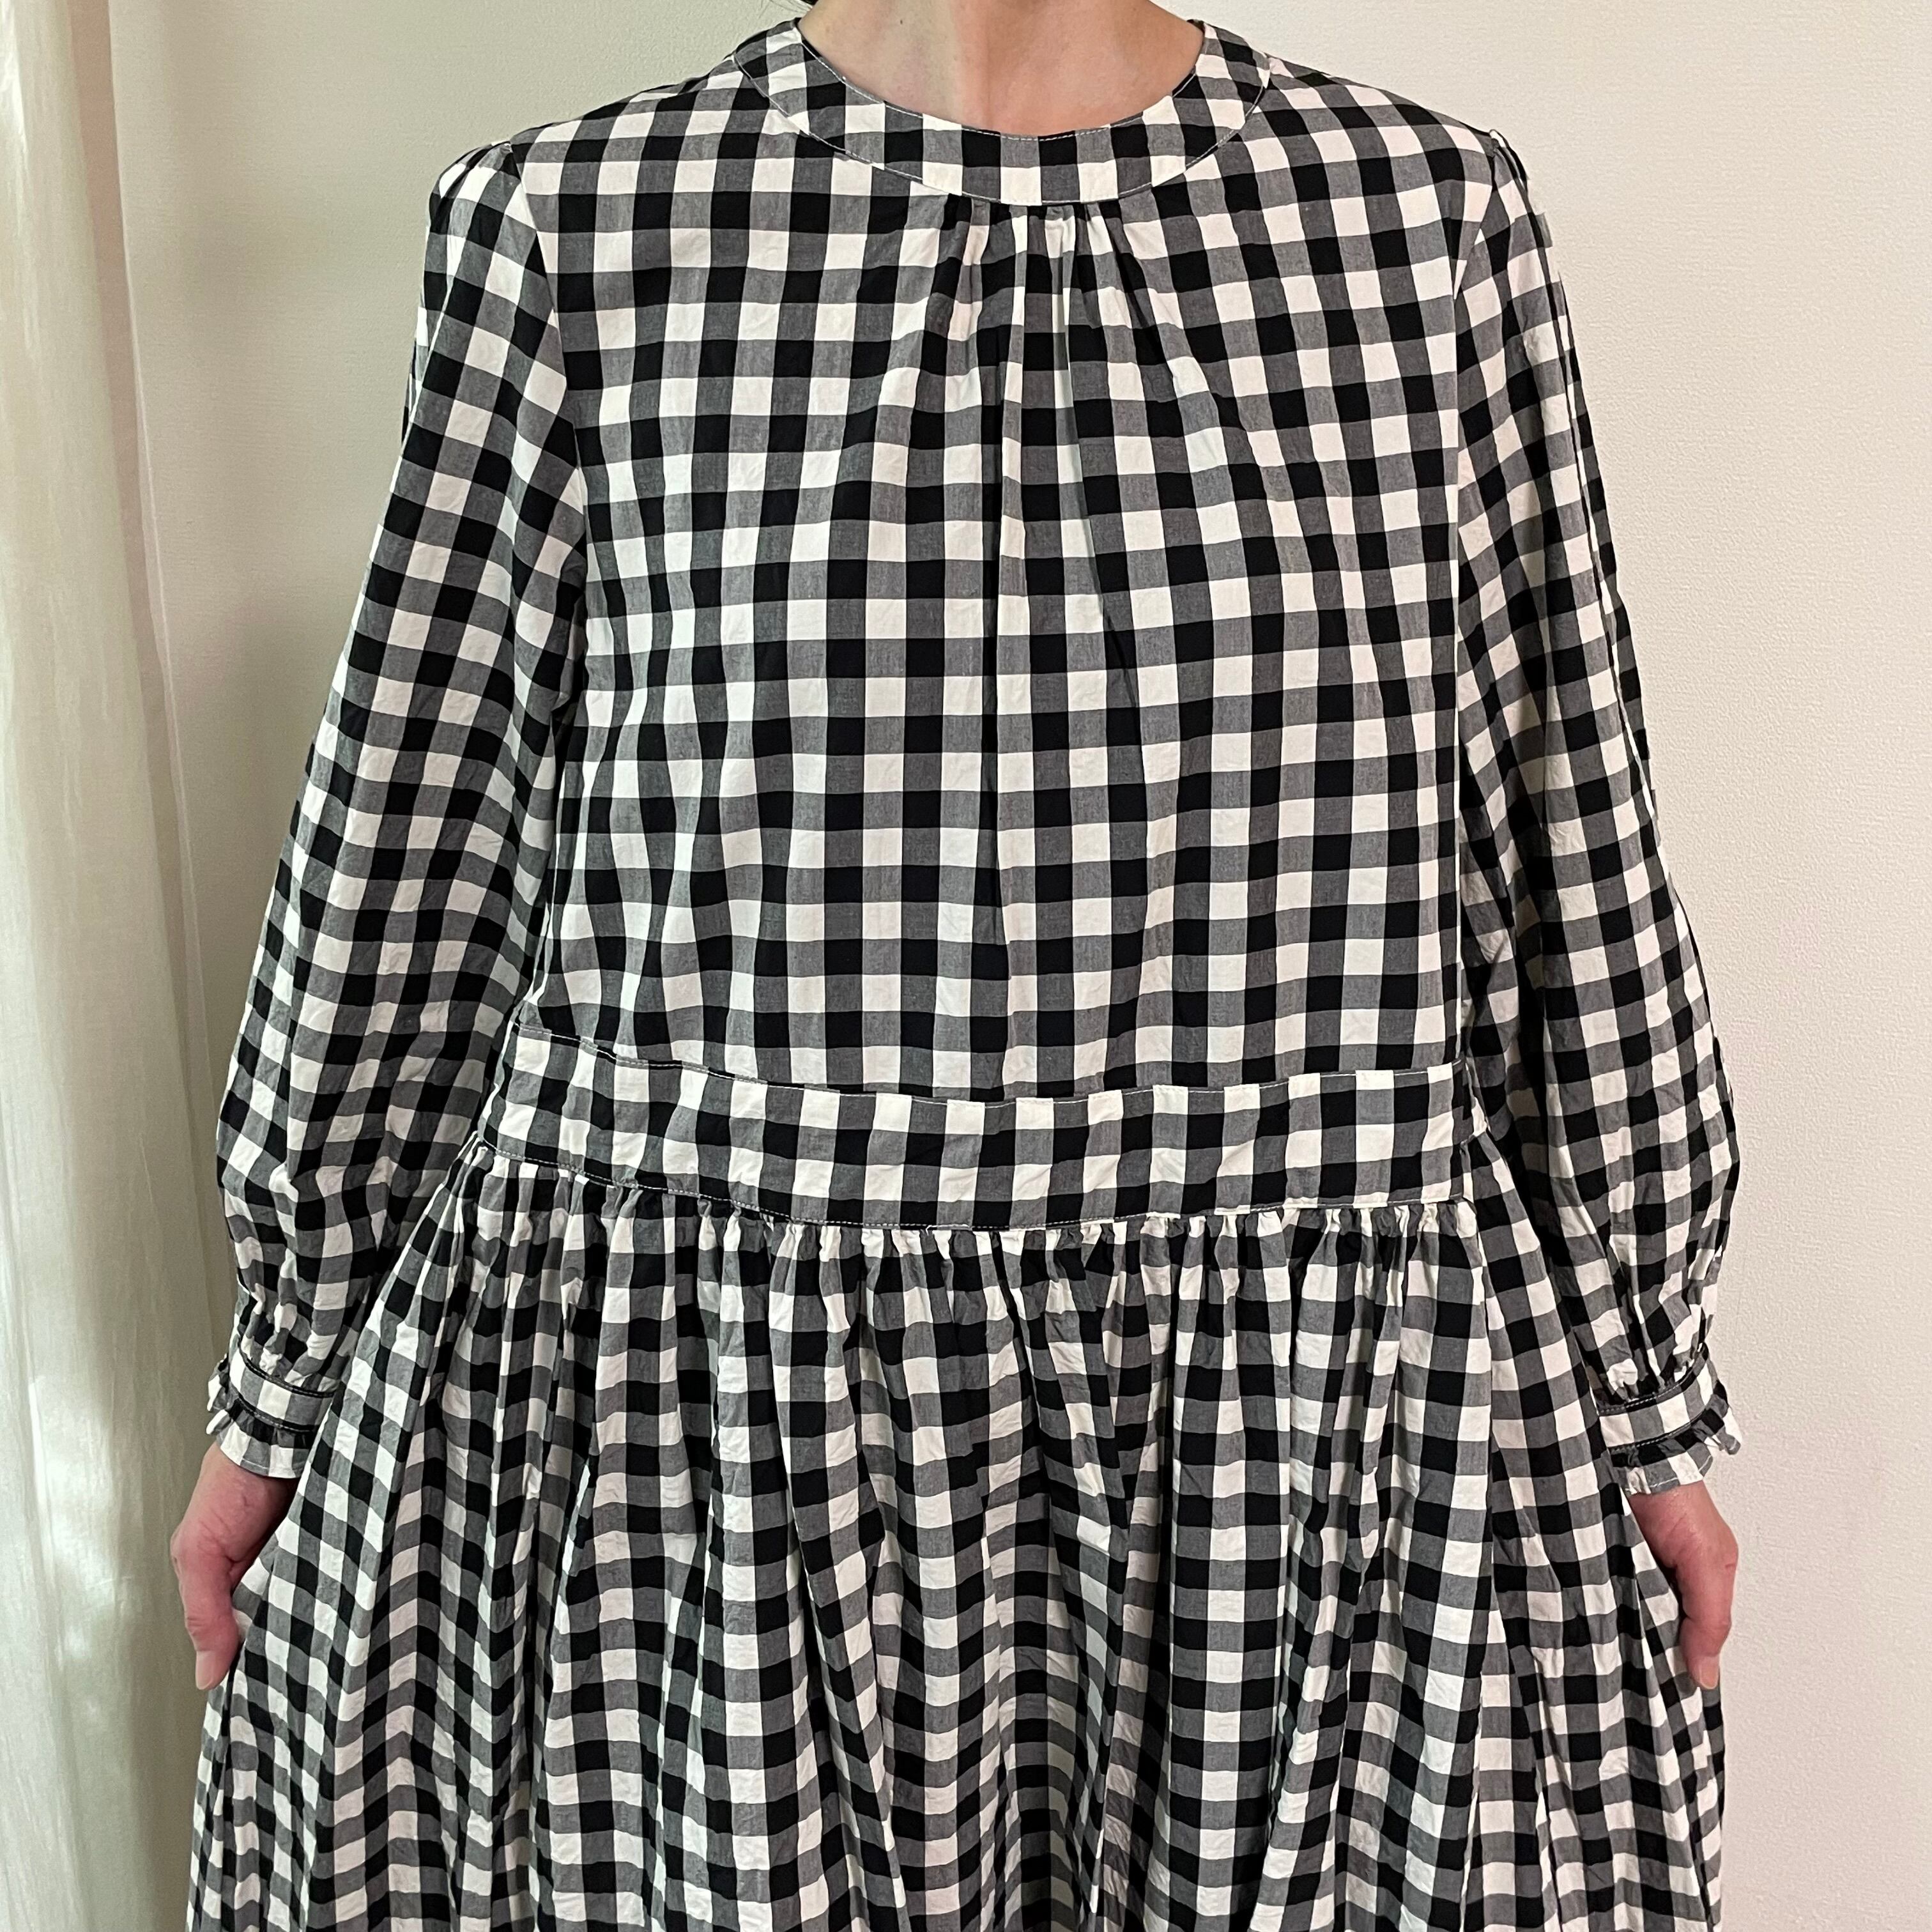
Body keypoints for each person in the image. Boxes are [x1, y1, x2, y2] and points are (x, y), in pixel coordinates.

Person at [171, 3, 1747, 1924]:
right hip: (719, 1448)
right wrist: (289, 1378)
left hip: (1301, 1451)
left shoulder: (1424, 224)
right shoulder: (576, 225)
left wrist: (1642, 1387)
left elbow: (1562, 813)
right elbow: (420, 827)